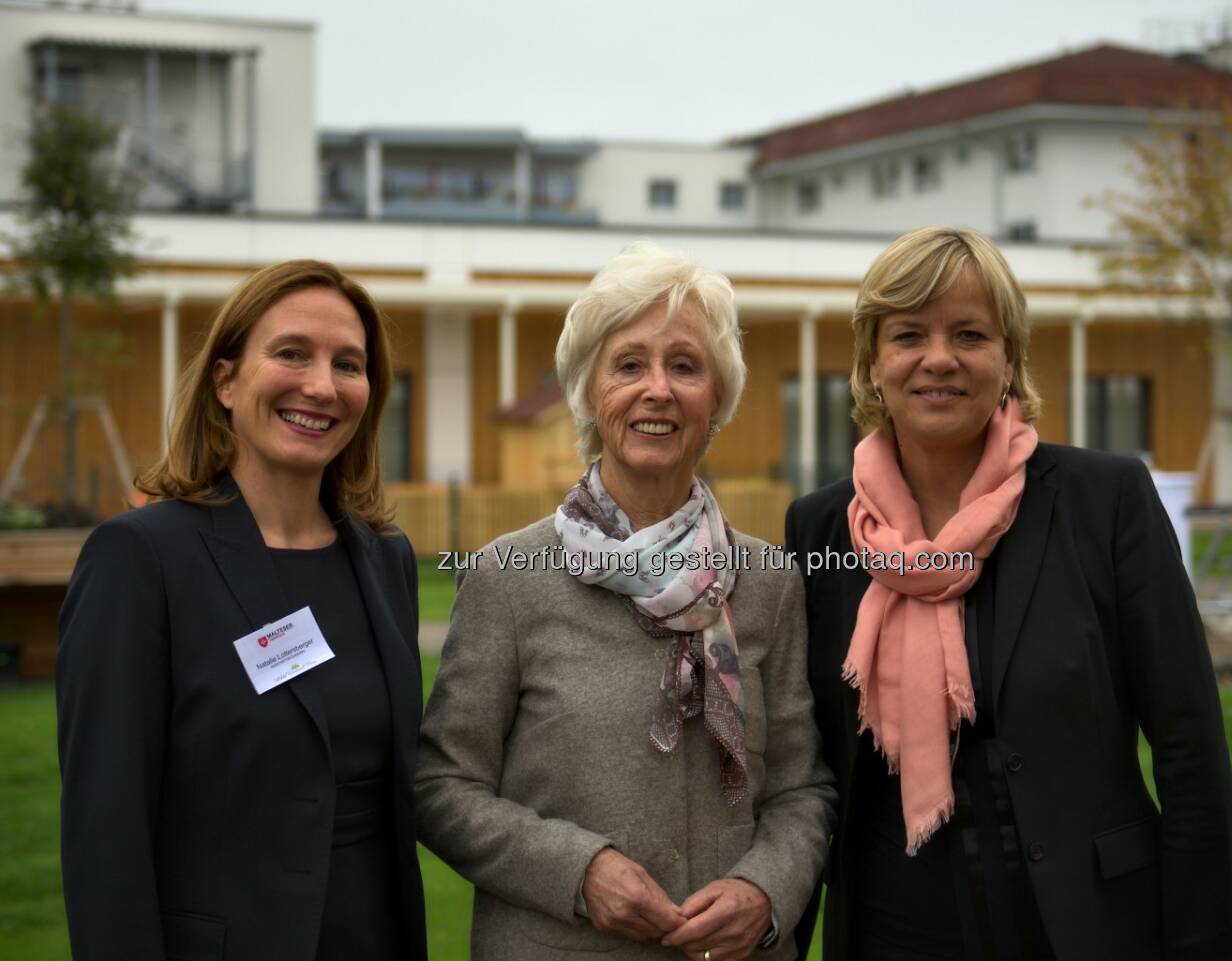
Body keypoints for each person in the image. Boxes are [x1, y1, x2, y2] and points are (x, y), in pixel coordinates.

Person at [785, 227, 1232, 961]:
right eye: (908, 334)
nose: (939, 358)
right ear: (873, 364)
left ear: (1009, 360)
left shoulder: (1105, 502)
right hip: (890, 929)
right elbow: (809, 765)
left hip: (1083, 928)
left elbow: (1191, 751)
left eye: (970, 333)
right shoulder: (819, 528)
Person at [416, 242, 836, 961]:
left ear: (718, 398)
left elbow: (804, 789)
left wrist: (766, 891)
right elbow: (443, 785)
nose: (658, 390)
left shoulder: (768, 583)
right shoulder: (508, 577)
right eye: (630, 364)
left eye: (685, 365)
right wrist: (579, 870)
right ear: (588, 389)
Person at [56, 260, 428, 961]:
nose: (321, 385)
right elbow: (106, 833)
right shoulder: (140, 560)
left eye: (348, 364)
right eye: (291, 353)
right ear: (226, 380)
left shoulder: (387, 560)